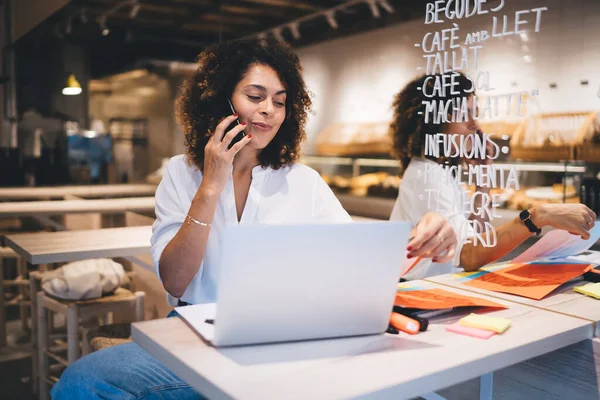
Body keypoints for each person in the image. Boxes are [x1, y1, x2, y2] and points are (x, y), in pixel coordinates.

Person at [50, 38, 458, 399]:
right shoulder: (182, 172)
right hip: (193, 329)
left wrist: (422, 239)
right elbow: (175, 279)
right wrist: (210, 185)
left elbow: (357, 267)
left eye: (280, 101)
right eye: (255, 96)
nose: (269, 111)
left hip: (282, 334)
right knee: (82, 381)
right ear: (220, 100)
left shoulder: (304, 181)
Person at [389, 72, 596, 280]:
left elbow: (474, 235)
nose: (474, 124)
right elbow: (469, 254)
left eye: (474, 114)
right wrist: (538, 216)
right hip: (418, 289)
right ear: (433, 123)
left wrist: (483, 176)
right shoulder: (427, 173)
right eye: (463, 115)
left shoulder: (439, 171)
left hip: (436, 287)